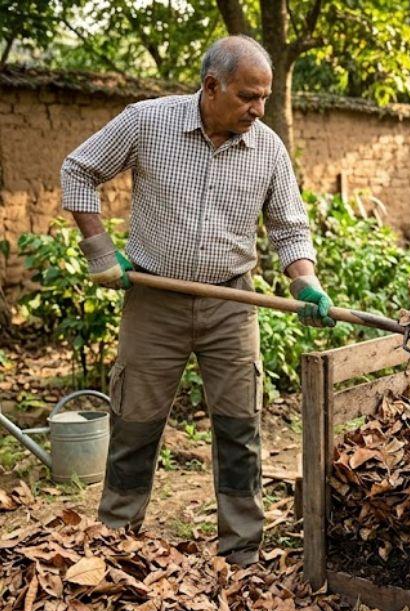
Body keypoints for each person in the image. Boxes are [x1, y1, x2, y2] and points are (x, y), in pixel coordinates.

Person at [60, 34, 335, 566]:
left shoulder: (268, 148)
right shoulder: (148, 121)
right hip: (154, 297)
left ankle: (242, 553)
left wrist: (306, 282)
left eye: (264, 98)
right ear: (211, 86)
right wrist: (100, 251)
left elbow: (289, 229)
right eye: (248, 97)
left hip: (232, 303)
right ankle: (115, 542)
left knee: (240, 428)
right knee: (135, 423)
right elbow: (79, 169)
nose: (258, 109)